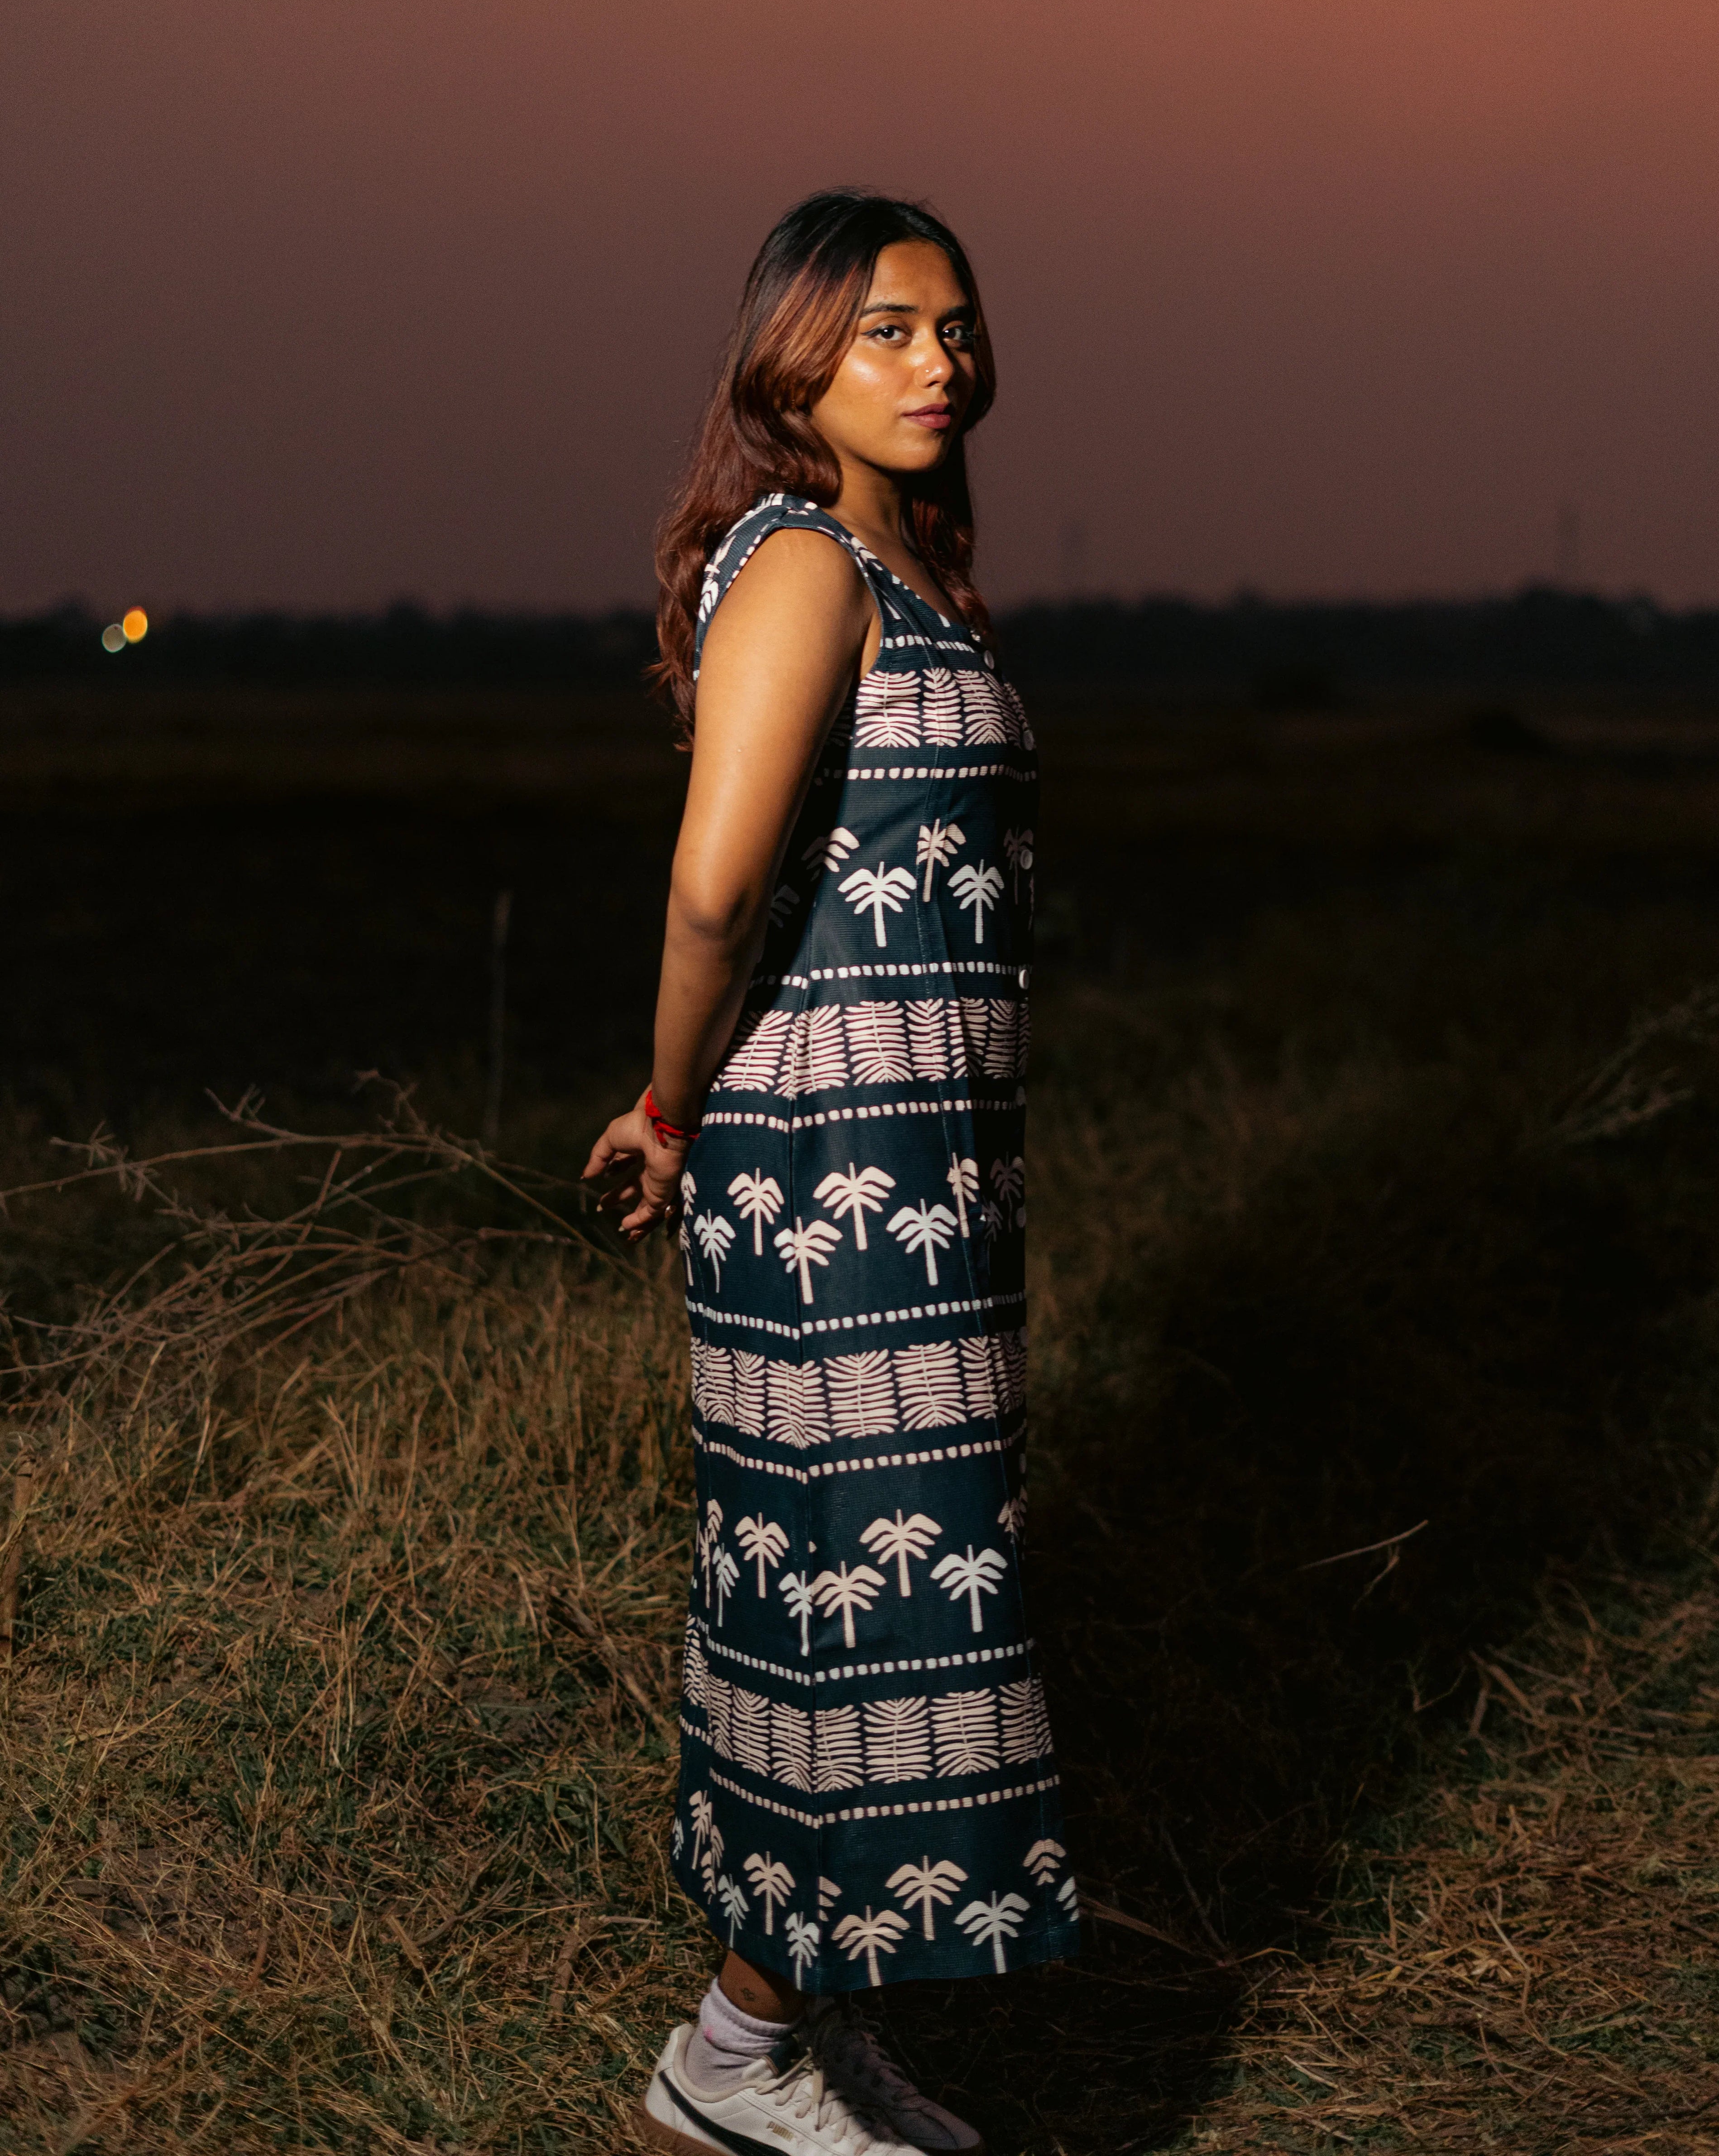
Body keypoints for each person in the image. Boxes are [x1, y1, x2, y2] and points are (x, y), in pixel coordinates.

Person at [586, 190, 1076, 2156]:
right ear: (792, 355)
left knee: (881, 1613)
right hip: (822, 1181)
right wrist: (668, 1101)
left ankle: (775, 2031)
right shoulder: (800, 567)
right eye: (884, 329)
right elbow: (717, 882)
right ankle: (733, 2060)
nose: (936, 361)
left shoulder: (910, 569)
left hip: (933, 1175)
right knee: (863, 1623)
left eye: (954, 327)